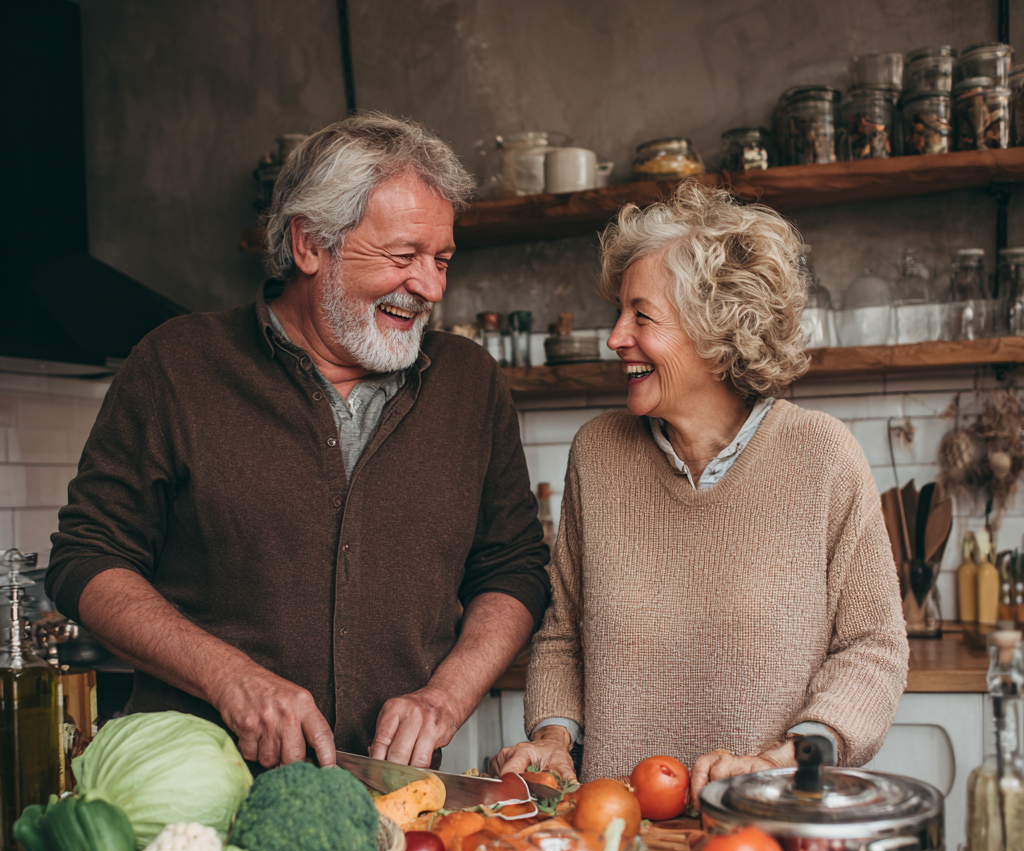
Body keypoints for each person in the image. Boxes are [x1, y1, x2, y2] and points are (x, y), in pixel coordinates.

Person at [46, 112, 550, 771]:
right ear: (309, 245)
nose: (431, 286)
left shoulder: (469, 382)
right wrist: (227, 676)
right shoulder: (177, 364)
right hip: (201, 793)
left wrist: (446, 697)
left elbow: (512, 567)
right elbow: (87, 558)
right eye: (403, 257)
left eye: (441, 260)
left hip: (391, 800)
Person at [492, 182, 908, 800]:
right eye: (618, 313)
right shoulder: (598, 454)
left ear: (717, 331)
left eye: (642, 315)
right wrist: (553, 738)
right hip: (616, 824)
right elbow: (563, 633)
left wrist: (788, 757)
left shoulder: (823, 456)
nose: (615, 337)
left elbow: (873, 648)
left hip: (767, 823)